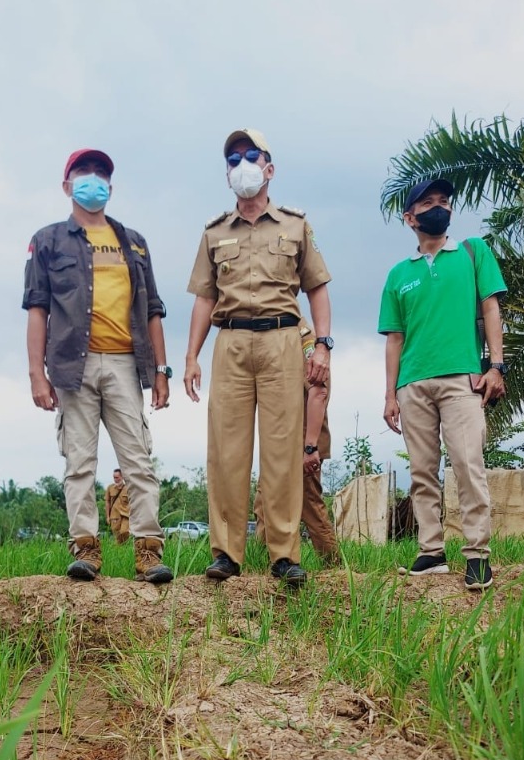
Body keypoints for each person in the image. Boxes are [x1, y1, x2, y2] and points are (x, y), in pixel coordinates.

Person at [184, 127, 333, 588]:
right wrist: (191, 356)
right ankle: (227, 553)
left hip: (282, 341)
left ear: (269, 168)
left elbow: (317, 288)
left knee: (283, 451)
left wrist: (323, 344)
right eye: (233, 159)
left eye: (251, 155)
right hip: (230, 343)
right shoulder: (214, 233)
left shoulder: (295, 226)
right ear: (227, 174)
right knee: (226, 452)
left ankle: (284, 554)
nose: (242, 165)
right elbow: (205, 300)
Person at [23, 148, 173, 585]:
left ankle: (149, 551)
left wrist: (161, 372)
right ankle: (85, 549)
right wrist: (37, 373)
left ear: (111, 185)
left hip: (127, 363)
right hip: (73, 366)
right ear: (67, 185)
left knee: (138, 460)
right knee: (79, 462)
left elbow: (153, 310)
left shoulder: (134, 241)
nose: (93, 180)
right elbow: (37, 308)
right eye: (83, 173)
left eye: (101, 174)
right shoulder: (49, 240)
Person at [379, 177, 508, 591]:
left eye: (444, 201)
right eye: (428, 202)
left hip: (461, 379)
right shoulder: (399, 274)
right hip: (413, 384)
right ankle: (431, 551)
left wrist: (497, 366)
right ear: (410, 217)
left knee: (468, 463)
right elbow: (395, 338)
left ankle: (476, 555)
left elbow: (491, 308)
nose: (439, 207)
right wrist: (390, 394)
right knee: (422, 471)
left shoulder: (473, 253)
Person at [253, 322, 340, 563]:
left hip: (303, 437)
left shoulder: (302, 335)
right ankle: (261, 563)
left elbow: (319, 390)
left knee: (309, 503)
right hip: (280, 437)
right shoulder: (275, 332)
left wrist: (309, 446)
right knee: (263, 501)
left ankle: (333, 565)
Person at [105, 467, 130, 544]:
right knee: (117, 536)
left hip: (126, 515)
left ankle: (122, 546)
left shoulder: (128, 488)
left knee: (124, 531)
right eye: (114, 477)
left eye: (117, 477)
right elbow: (107, 502)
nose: (115, 479)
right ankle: (120, 550)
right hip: (114, 516)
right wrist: (107, 516)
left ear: (122, 477)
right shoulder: (110, 488)